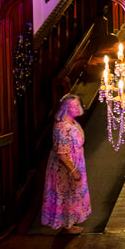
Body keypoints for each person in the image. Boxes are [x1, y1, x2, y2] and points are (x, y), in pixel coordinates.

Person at [41, 92, 92, 234]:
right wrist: (73, 170)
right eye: (73, 106)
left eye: (77, 105)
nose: (77, 108)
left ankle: (70, 223)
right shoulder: (63, 127)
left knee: (73, 193)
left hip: (75, 161)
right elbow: (62, 154)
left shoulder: (72, 122)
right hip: (65, 167)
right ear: (66, 108)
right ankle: (67, 226)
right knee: (66, 194)